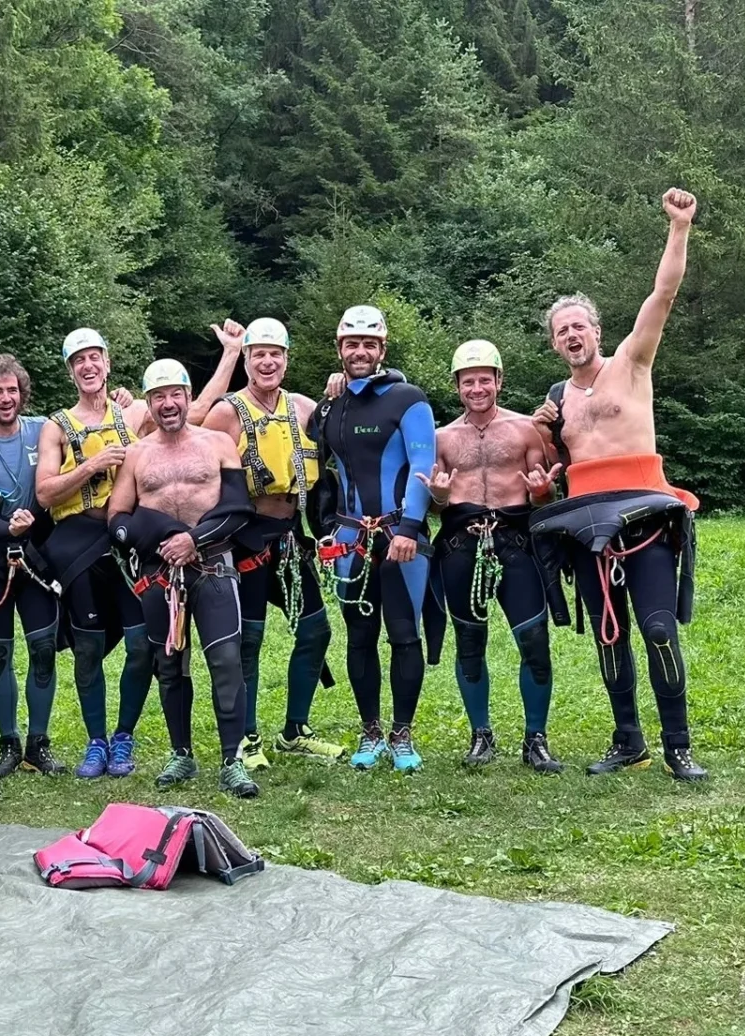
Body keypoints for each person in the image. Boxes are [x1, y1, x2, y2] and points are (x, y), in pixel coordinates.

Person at [528, 188, 708, 782]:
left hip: (646, 520)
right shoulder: (556, 402)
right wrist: (543, 456)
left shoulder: (631, 362)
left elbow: (663, 295)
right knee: (610, 636)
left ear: (598, 331)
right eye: (561, 331)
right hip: (588, 528)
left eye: (579, 325)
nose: (571, 335)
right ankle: (628, 739)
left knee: (657, 629)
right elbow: (551, 472)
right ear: (554, 343)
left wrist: (678, 228)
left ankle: (677, 744)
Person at [187, 317, 343, 768]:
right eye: (259, 354)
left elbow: (348, 429)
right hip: (246, 535)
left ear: (287, 359)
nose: (268, 361)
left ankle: (294, 730)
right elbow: (193, 433)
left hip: (291, 535)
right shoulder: (229, 411)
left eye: (276, 353)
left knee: (316, 630)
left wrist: (340, 388)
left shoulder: (304, 408)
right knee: (248, 641)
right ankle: (247, 737)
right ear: (249, 361)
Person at [109, 360, 260, 797]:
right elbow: (118, 519)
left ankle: (232, 759)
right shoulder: (137, 454)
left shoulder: (217, 443)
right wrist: (156, 536)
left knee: (226, 662)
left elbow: (238, 509)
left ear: (189, 395)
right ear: (149, 402)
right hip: (161, 574)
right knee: (168, 665)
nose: (168, 403)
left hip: (212, 565)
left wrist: (192, 540)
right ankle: (181, 754)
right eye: (158, 396)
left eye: (176, 393)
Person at [417, 341, 567, 774]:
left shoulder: (526, 431)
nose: (477, 388)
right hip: (462, 545)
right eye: (469, 381)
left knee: (534, 641)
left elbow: (545, 493)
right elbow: (435, 504)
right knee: (469, 643)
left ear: (499, 381)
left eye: (485, 379)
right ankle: (481, 734)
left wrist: (542, 493)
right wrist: (439, 498)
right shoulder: (442, 437)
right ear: (457, 386)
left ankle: (535, 738)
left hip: (515, 544)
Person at [307, 305, 438, 772]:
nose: (359, 352)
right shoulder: (331, 407)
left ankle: (402, 734)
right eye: (351, 344)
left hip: (400, 535)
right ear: (340, 349)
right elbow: (315, 460)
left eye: (369, 344)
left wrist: (409, 529)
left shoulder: (408, 398)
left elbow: (424, 465)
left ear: (381, 349)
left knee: (404, 635)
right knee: (359, 639)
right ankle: (371, 731)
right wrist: (323, 531)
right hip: (349, 536)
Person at [35, 328, 156, 779]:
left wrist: (228, 357)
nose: (88, 366)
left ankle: (124, 735)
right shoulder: (57, 425)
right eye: (78, 361)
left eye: (94, 358)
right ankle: (96, 741)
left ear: (106, 363)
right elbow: (45, 493)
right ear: (71, 371)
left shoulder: (133, 413)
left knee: (142, 644)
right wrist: (90, 465)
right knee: (87, 649)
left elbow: (192, 410)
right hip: (77, 543)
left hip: (123, 542)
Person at [0, 355, 67, 778]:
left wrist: (123, 398)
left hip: (38, 558)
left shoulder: (46, 429)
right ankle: (8, 741)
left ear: (23, 392)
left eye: (12, 390)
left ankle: (38, 742)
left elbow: (97, 424)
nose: (5, 398)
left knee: (42, 650)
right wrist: (7, 527)